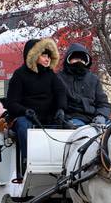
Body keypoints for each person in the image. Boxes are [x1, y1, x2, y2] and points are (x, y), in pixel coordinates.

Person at [6, 38, 68, 181]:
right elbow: (11, 102)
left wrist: (61, 109)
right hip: (27, 116)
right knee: (22, 126)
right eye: (43, 56)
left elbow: (61, 93)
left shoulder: (51, 75)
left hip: (48, 117)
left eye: (48, 56)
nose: (47, 59)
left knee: (64, 127)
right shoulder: (19, 75)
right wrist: (24, 111)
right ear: (33, 56)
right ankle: (28, 160)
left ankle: (62, 164)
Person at [58, 42, 111, 127]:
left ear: (86, 62)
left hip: (94, 118)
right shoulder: (59, 78)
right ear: (69, 60)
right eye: (75, 59)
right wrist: (60, 115)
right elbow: (55, 102)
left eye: (82, 60)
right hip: (71, 118)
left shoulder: (93, 79)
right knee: (82, 131)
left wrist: (101, 115)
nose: (79, 62)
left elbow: (103, 103)